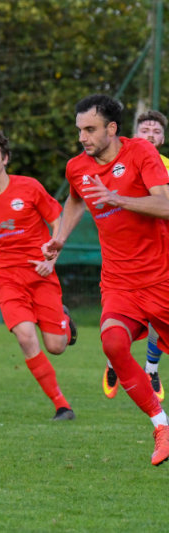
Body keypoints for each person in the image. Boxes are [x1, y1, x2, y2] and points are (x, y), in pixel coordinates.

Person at [43, 94, 169, 466]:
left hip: (160, 278)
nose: (82, 137)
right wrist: (60, 238)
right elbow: (75, 200)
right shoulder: (77, 167)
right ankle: (161, 426)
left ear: (112, 128)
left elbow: (165, 204)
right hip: (118, 282)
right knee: (113, 343)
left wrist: (118, 198)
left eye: (90, 129)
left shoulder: (141, 153)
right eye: (80, 129)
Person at [0, 130, 77, 421]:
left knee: (56, 346)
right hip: (8, 278)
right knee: (26, 338)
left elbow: (57, 221)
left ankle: (63, 321)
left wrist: (51, 260)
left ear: (5, 158)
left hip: (40, 273)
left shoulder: (29, 187)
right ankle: (61, 405)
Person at [102, 110, 169, 402]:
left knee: (157, 314)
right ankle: (114, 361)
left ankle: (151, 369)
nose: (150, 135)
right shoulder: (118, 163)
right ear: (133, 135)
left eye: (156, 131)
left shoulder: (165, 168)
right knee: (119, 314)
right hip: (126, 252)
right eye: (145, 130)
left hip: (161, 252)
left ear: (162, 139)